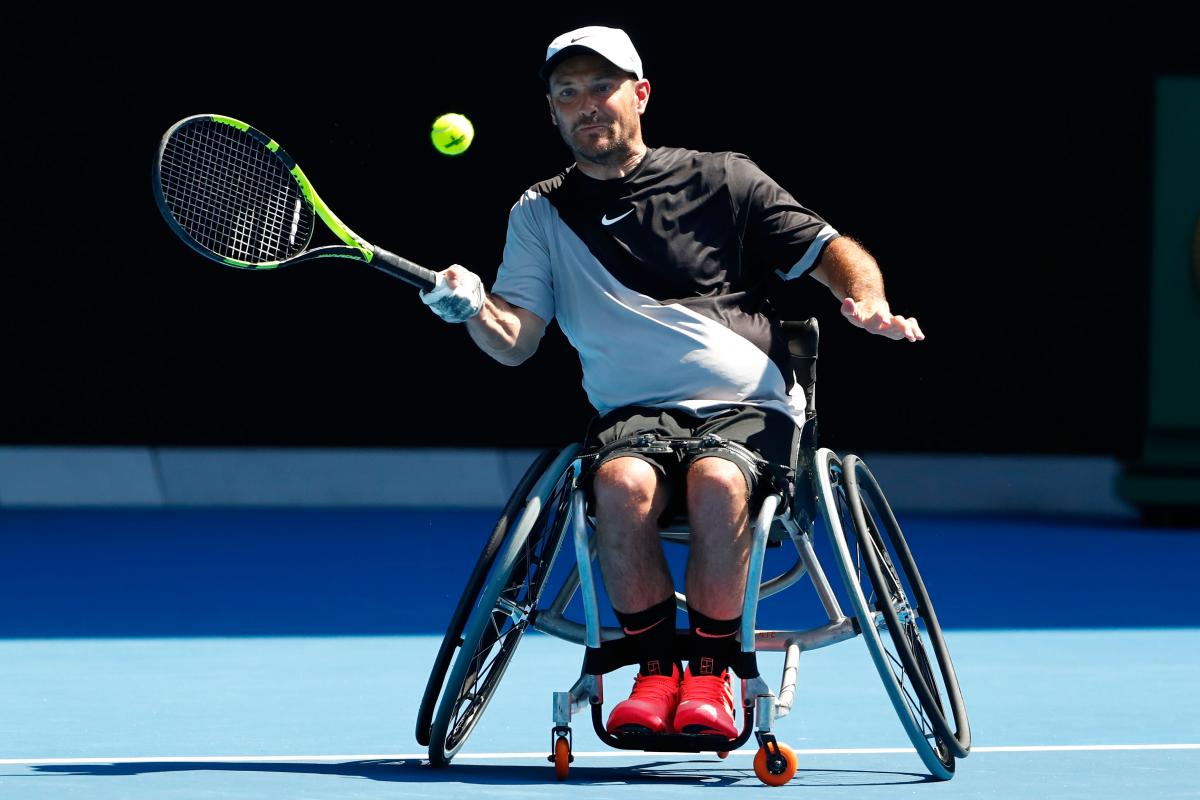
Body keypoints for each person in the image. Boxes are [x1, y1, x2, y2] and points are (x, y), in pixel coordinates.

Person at [420, 25, 924, 740]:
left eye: (602, 87)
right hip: (634, 414)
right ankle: (657, 671)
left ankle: (714, 675)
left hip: (747, 407)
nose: (587, 105)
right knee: (618, 486)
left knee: (718, 483)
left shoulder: (722, 177)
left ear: (641, 93)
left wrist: (866, 300)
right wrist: (471, 307)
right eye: (568, 94)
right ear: (554, 113)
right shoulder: (538, 212)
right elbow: (514, 342)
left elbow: (831, 250)